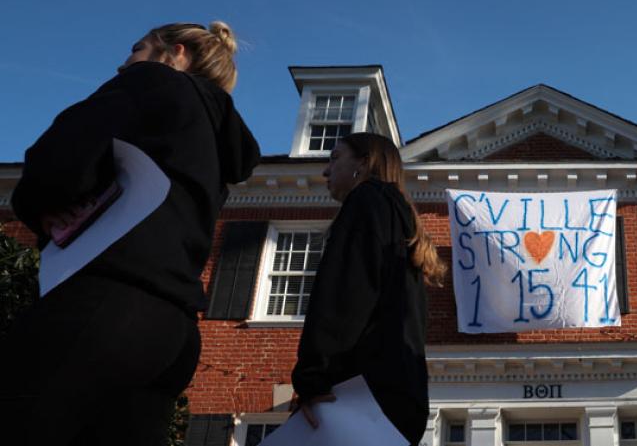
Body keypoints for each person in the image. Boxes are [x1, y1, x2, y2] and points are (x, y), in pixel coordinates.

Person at [0, 22, 260, 445]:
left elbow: (59, 158)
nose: (124, 64)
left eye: (137, 49)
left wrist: (41, 204)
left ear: (175, 54)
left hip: (108, 298)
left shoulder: (152, 80)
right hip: (174, 331)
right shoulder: (217, 142)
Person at [291, 132, 445, 445]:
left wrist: (312, 380)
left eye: (335, 158)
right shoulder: (403, 222)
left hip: (355, 396)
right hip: (399, 400)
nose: (325, 171)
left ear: (363, 163)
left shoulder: (365, 202)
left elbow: (343, 297)